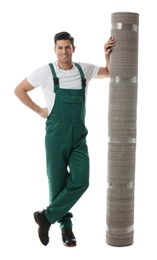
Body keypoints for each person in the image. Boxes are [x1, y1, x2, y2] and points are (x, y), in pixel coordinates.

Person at [14, 31, 115, 247]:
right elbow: (19, 89)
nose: (63, 51)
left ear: (73, 49)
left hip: (79, 135)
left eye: (67, 47)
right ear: (55, 49)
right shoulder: (45, 72)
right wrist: (38, 109)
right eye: (59, 47)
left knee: (82, 180)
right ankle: (66, 228)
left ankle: (47, 217)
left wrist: (106, 54)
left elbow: (109, 72)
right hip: (55, 134)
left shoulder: (83, 70)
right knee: (57, 182)